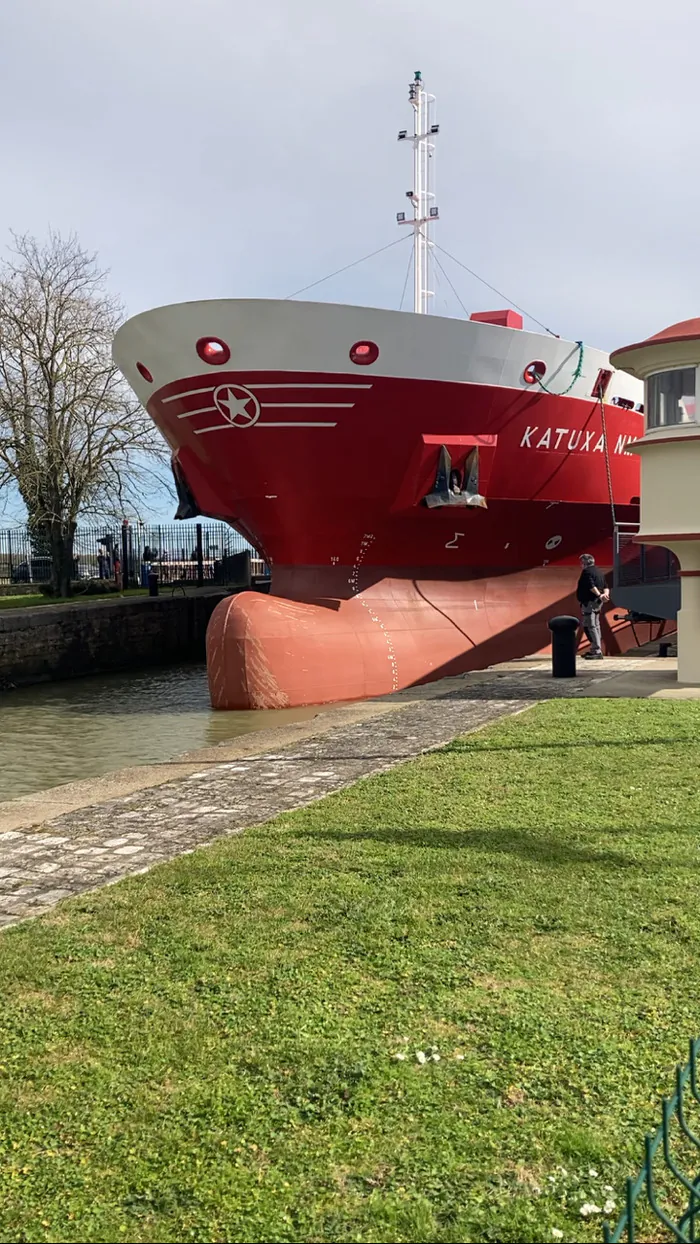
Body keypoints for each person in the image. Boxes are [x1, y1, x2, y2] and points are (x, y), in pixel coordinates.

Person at [576, 553, 609, 659]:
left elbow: (591, 586)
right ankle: (596, 648)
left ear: (584, 563)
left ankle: (596, 650)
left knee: (590, 626)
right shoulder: (599, 572)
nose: (581, 565)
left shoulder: (586, 572)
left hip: (589, 602)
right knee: (596, 625)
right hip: (597, 603)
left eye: (581, 563)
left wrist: (599, 595)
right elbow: (605, 586)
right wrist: (605, 595)